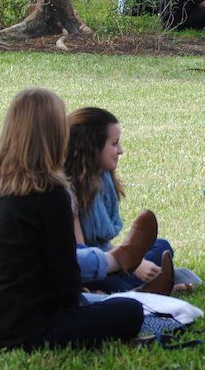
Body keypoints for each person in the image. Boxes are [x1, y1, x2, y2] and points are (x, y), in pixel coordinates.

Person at [0, 89, 144, 350]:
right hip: (22, 328)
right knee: (130, 311)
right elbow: (65, 279)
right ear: (55, 133)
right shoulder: (50, 194)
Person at [65, 107, 176, 295]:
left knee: (162, 246)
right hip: (87, 270)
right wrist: (132, 263)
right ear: (92, 146)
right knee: (116, 288)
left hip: (108, 261)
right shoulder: (67, 190)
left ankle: (149, 286)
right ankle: (147, 289)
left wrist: (134, 261)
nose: (121, 150)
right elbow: (81, 256)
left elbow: (105, 246)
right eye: (114, 144)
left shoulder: (104, 179)